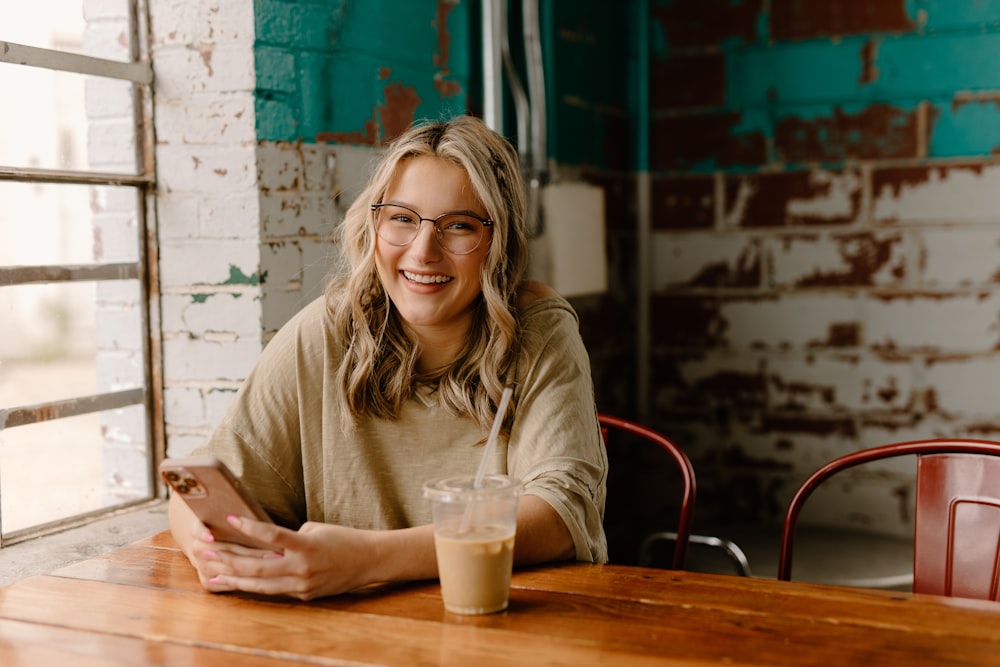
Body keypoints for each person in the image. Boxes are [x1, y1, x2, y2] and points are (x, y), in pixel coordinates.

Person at [168, 114, 609, 600]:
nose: (423, 251)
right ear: (373, 223)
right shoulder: (325, 331)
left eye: (458, 226)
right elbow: (196, 492)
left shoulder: (539, 332)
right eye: (402, 218)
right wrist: (218, 554)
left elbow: (561, 515)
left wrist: (365, 560)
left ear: (497, 244)